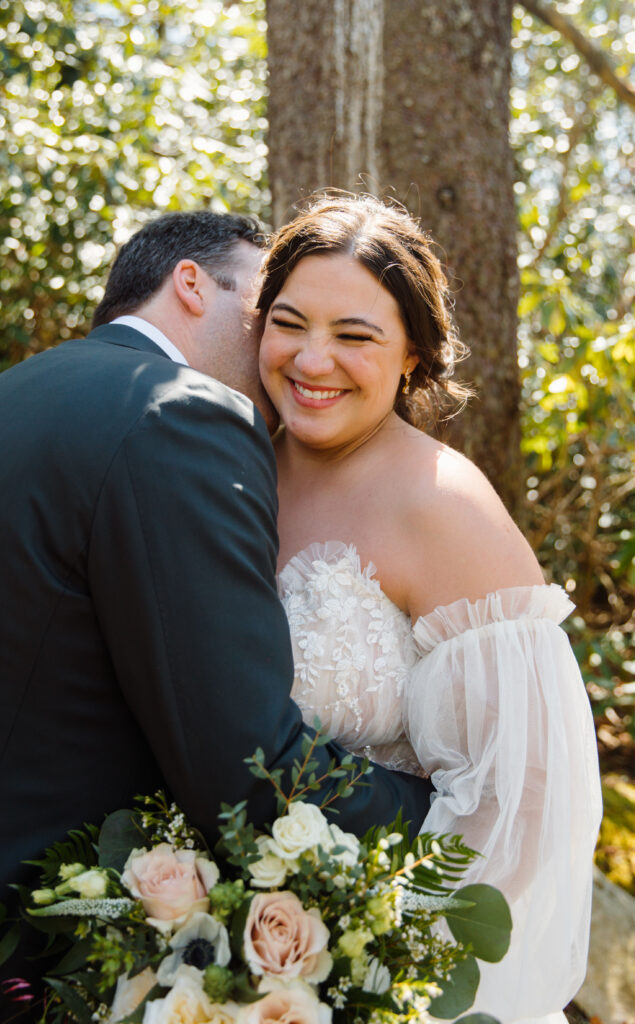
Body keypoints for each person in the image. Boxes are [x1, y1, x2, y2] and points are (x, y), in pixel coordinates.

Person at [0, 210, 434, 1024]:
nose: (290, 346)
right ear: (189, 284)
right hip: (15, 957)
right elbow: (245, 763)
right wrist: (439, 814)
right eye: (272, 306)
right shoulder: (182, 412)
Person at [256, 194, 603, 1024]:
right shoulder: (233, 466)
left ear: (412, 352)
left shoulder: (442, 506)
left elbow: (525, 792)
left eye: (354, 336)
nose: (312, 360)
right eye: (288, 322)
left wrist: (381, 961)